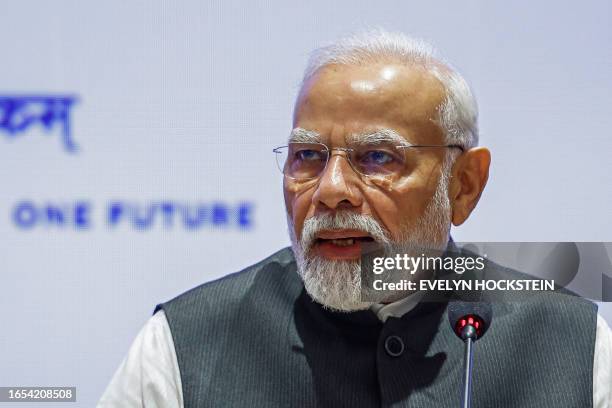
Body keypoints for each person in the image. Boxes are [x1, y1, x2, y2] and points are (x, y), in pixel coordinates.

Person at [98, 30, 611, 407]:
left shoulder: (575, 346)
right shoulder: (185, 346)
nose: (331, 191)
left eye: (378, 159)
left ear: (463, 185)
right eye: (307, 157)